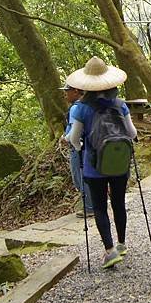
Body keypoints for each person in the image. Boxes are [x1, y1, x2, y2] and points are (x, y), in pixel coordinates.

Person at [66, 56, 137, 269]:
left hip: (93, 165)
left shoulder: (80, 108)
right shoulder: (120, 104)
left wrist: (81, 150)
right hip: (119, 163)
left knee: (99, 207)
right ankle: (122, 244)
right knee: (118, 203)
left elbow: (73, 138)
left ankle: (109, 250)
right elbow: (132, 133)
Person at [59, 83, 94, 219]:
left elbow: (75, 131)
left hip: (78, 147)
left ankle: (90, 207)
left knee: (80, 178)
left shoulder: (75, 108)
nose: (65, 94)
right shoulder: (88, 105)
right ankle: (94, 204)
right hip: (88, 146)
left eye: (67, 91)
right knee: (87, 176)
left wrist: (65, 139)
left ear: (75, 91)